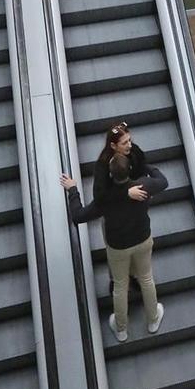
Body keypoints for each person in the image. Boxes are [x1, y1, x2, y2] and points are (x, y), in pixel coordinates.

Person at [61, 122, 169, 341]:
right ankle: (152, 320)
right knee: (147, 278)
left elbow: (80, 215)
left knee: (120, 286)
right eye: (125, 142)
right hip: (141, 236)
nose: (130, 145)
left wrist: (73, 189)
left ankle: (121, 329)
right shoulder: (142, 187)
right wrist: (144, 175)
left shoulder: (106, 200)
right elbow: (162, 182)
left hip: (118, 242)